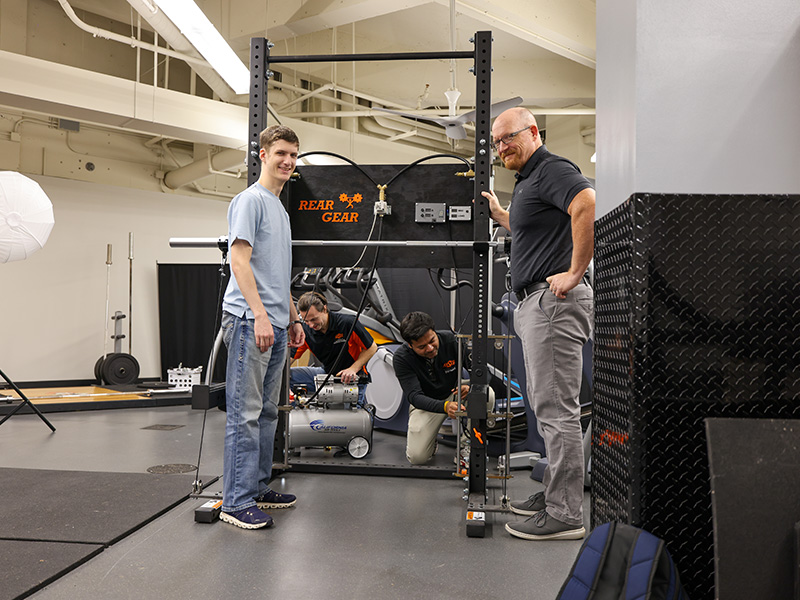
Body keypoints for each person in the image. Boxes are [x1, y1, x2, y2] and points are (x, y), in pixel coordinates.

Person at [482, 107, 595, 541]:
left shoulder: (551, 168)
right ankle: (553, 496)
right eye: (496, 142)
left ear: (532, 132)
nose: (501, 147)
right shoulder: (529, 182)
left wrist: (575, 272)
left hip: (554, 302)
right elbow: (530, 227)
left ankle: (565, 513)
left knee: (556, 408)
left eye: (507, 138)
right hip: (538, 305)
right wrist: (501, 214)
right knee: (546, 405)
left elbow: (585, 202)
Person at [219, 125, 305, 530]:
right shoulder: (250, 200)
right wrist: (260, 315)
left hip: (275, 322)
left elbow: (275, 273)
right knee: (245, 413)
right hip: (249, 321)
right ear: (263, 155)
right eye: (281, 153)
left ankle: (255, 487)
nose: (287, 161)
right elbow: (240, 261)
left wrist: (293, 315)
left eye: (293, 155)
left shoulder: (279, 207)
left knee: (269, 411)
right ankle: (235, 502)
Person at [393, 311, 493, 465]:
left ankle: (467, 446)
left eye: (432, 340)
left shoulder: (452, 340)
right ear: (410, 345)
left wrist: (473, 386)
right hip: (426, 404)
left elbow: (483, 372)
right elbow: (414, 396)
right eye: (422, 346)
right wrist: (445, 406)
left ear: (434, 331)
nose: (430, 348)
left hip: (454, 394)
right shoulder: (402, 358)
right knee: (417, 458)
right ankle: (430, 441)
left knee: (486, 393)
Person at [290, 291, 377, 406]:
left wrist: (353, 369)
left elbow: (372, 347)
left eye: (314, 319)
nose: (311, 325)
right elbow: (290, 358)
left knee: (349, 421)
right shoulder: (306, 331)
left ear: (324, 309)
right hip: (327, 374)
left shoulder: (347, 323)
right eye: (306, 321)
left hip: (352, 380)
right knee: (287, 376)